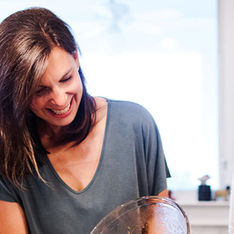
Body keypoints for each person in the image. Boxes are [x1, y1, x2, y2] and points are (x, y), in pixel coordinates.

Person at [0, 7, 170, 234]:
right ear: (18, 94)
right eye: (40, 91)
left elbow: (160, 225)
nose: (60, 100)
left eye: (66, 78)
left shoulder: (136, 126)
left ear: (76, 58)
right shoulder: (11, 154)